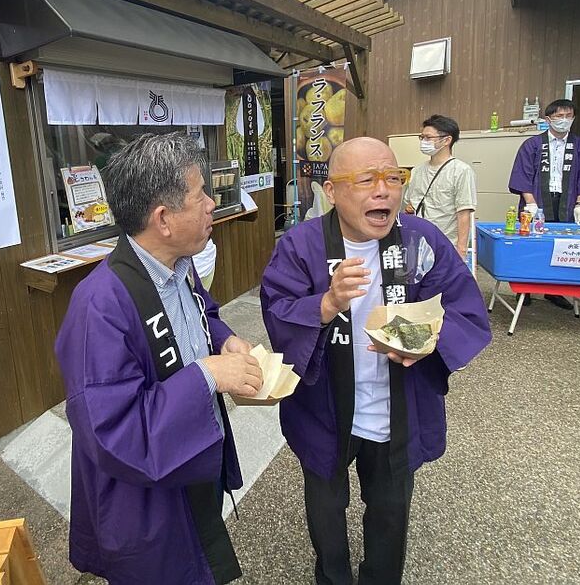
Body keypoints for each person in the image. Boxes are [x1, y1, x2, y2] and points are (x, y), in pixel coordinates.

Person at [261, 137, 491, 584]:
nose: (383, 190)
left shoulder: (421, 240)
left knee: (390, 513)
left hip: (398, 406)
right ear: (331, 190)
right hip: (325, 407)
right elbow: (277, 309)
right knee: (326, 512)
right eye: (366, 180)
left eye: (393, 178)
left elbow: (464, 308)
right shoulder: (302, 244)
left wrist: (420, 341)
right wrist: (326, 304)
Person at [55, 133, 263, 585]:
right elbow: (113, 432)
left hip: (185, 470)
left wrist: (223, 341)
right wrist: (208, 375)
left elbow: (202, 316)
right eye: (200, 194)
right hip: (145, 502)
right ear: (164, 219)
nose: (211, 203)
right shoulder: (99, 305)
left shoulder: (179, 265)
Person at [508, 99, 580, 308]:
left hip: (568, 202)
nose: (563, 120)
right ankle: (524, 289)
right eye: (559, 116)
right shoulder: (532, 145)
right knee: (532, 246)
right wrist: (531, 205)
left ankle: (555, 291)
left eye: (568, 116)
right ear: (548, 119)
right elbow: (523, 176)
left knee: (562, 247)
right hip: (536, 200)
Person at [403, 114, 477, 259]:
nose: (424, 141)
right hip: (418, 243)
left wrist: (461, 250)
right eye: (422, 137)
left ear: (446, 140)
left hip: (445, 244)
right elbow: (410, 205)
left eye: (428, 138)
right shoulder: (417, 170)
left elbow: (463, 213)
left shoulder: (461, 171)